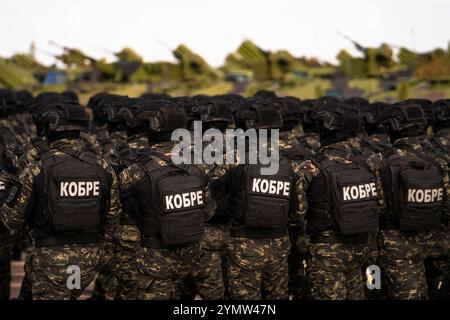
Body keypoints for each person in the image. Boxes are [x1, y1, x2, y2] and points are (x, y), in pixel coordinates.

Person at [0, 100, 121, 300]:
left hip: (49, 258)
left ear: (48, 129)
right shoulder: (102, 166)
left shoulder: (37, 168)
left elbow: (11, 221)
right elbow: (112, 216)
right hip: (90, 258)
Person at [297, 102, 384, 300]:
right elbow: (381, 205)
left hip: (327, 252)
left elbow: (298, 213)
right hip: (362, 248)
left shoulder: (311, 167)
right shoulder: (370, 163)